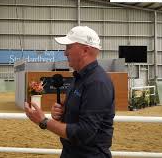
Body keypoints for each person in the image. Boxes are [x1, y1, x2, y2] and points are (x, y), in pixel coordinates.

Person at [25, 26, 115, 158]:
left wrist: (44, 121)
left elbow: (84, 133)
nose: (65, 53)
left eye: (69, 47)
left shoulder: (97, 83)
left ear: (85, 50)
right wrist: (63, 112)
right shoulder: (79, 77)